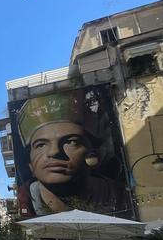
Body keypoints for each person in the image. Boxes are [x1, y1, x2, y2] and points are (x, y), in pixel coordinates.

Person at [16, 89, 127, 217]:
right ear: (30, 164)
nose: (54, 152)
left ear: (94, 154)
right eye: (41, 145)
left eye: (71, 142)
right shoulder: (26, 204)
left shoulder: (122, 198)